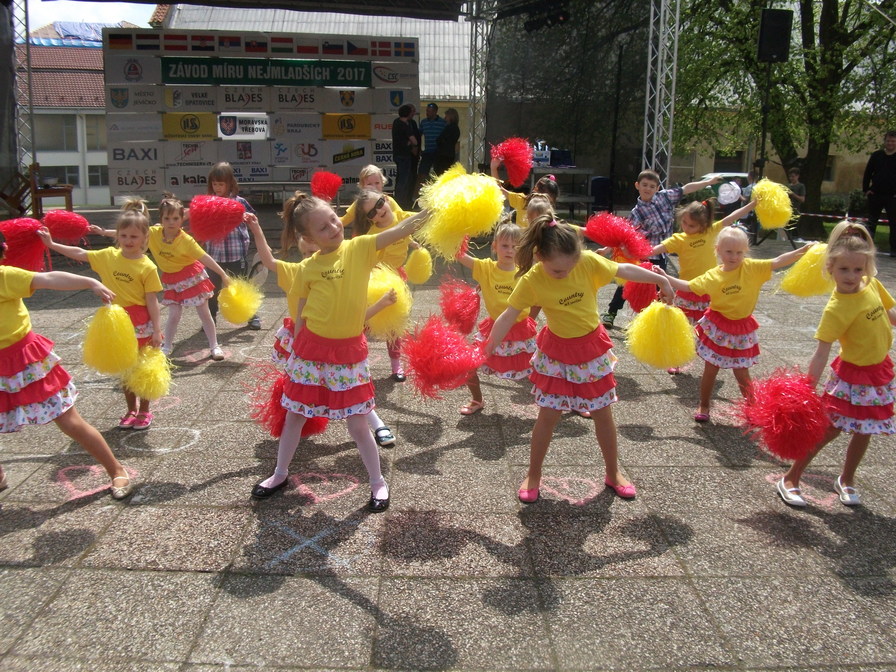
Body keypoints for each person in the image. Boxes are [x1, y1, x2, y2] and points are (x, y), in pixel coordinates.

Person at [249, 193, 429, 511]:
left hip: (348, 354)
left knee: (358, 424)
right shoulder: (306, 268)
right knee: (295, 417)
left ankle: (378, 482)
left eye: (333, 219)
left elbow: (401, 229)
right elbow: (301, 312)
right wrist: (297, 351)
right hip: (310, 352)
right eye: (322, 228)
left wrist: (435, 210)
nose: (333, 228)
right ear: (309, 238)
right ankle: (279, 474)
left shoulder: (359, 248)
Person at [485, 215, 675, 503]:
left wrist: (661, 278)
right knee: (547, 417)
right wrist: (488, 348)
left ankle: (613, 472)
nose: (565, 273)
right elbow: (508, 315)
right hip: (556, 354)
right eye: (557, 270)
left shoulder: (586, 262)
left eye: (570, 266)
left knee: (603, 415)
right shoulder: (532, 279)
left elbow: (622, 269)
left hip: (591, 351)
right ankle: (533, 475)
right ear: (539, 257)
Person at [245, 207, 400, 448]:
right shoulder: (299, 270)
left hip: (335, 340)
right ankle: (299, 425)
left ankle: (377, 424)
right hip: (305, 341)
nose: (310, 256)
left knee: (351, 388)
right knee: (305, 389)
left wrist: (380, 304)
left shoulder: (335, 266)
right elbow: (269, 260)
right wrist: (256, 229)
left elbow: (357, 317)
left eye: (313, 252)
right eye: (305, 253)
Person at [0, 230, 134, 499]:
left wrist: (89, 282)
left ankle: (116, 469)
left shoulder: (5, 277)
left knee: (69, 420)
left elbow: (48, 279)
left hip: (25, 363)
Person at [777, 222, 895, 507]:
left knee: (866, 429)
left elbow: (890, 314)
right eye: (844, 269)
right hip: (851, 377)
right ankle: (791, 477)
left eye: (858, 269)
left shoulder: (871, 284)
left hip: (878, 373)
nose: (852, 276)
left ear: (866, 268)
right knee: (829, 430)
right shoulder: (836, 308)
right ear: (830, 268)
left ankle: (847, 479)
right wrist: (807, 389)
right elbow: (822, 352)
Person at [661, 227, 811, 422]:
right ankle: (704, 404)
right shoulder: (713, 276)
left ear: (745, 251)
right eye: (729, 252)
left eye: (739, 252)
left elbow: (777, 261)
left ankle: (752, 406)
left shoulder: (752, 268)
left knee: (741, 372)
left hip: (741, 328)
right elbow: (688, 286)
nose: (734, 257)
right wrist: (664, 277)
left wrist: (803, 250)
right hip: (718, 326)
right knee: (711, 369)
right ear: (718, 250)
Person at [39, 203, 164, 431]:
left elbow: (152, 300)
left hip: (141, 322)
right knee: (125, 368)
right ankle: (131, 409)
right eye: (123, 235)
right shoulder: (107, 256)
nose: (128, 240)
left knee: (144, 369)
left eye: (134, 236)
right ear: (117, 236)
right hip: (115, 322)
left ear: (145, 237)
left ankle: (145, 411)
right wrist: (52, 244)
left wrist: (157, 329)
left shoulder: (147, 267)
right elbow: (80, 254)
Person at [94, 196, 231, 360]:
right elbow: (130, 232)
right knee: (174, 314)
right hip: (171, 279)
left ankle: (214, 346)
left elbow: (205, 257)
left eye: (175, 218)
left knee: (204, 312)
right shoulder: (153, 233)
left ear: (182, 219)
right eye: (167, 218)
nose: (171, 222)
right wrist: (103, 232)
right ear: (161, 219)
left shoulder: (186, 241)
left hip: (191, 277)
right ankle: (166, 347)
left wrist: (223, 274)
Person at [601, 170, 721, 327]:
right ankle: (611, 312)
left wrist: (707, 182)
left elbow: (686, 188)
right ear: (637, 186)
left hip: (660, 255)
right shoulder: (636, 212)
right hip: (642, 255)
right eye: (644, 185)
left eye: (652, 186)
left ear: (657, 188)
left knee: (660, 288)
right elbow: (624, 235)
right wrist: (606, 249)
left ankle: (653, 320)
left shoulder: (665, 197)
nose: (648, 189)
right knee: (628, 283)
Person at [455, 221, 536, 415]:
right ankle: (477, 400)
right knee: (469, 364)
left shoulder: (527, 271)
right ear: (494, 246)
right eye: (505, 245)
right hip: (492, 328)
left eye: (515, 246)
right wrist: (456, 231)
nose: (510, 250)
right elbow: (458, 255)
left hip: (521, 331)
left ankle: (560, 401)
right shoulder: (485, 268)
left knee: (543, 369)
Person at [353, 189, 421, 382]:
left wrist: (413, 243)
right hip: (377, 281)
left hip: (397, 277)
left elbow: (412, 227)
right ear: (370, 219)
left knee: (394, 324)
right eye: (372, 212)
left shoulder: (402, 216)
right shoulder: (373, 235)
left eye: (379, 204)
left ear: (386, 199)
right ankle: (356, 362)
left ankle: (396, 365)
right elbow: (365, 261)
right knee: (364, 323)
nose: (379, 211)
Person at [203, 162, 261, 330]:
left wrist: (247, 217)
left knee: (241, 286)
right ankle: (210, 318)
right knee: (211, 289)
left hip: (236, 253)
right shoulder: (209, 202)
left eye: (221, 184)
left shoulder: (239, 202)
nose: (217, 187)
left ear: (230, 183)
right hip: (214, 256)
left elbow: (253, 218)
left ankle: (251, 315)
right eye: (215, 184)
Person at [489, 159, 560, 228]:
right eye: (544, 199)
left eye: (549, 202)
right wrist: (493, 168)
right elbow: (500, 189)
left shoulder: (548, 215)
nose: (545, 204)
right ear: (535, 189)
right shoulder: (521, 201)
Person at [339, 164, 409, 228]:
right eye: (369, 184)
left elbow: (403, 218)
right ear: (362, 186)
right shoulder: (359, 204)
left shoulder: (388, 201)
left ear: (382, 183)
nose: (374, 187)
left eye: (377, 183)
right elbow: (344, 221)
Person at [862, 130, 896, 254]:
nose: (890, 143)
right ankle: (867, 248)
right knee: (871, 223)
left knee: (894, 224)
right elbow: (868, 173)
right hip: (875, 194)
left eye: (893, 141)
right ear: (884, 142)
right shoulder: (877, 155)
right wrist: (866, 189)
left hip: (893, 197)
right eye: (888, 141)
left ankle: (894, 249)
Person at [391, 104, 419, 209]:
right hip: (405, 155)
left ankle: (398, 201)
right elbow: (414, 141)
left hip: (397, 154)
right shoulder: (405, 125)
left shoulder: (396, 122)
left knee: (400, 179)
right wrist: (411, 144)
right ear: (408, 113)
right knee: (404, 180)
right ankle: (401, 203)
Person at [417, 102, 447, 182]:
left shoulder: (442, 123)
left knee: (439, 174)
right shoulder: (424, 122)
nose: (427, 113)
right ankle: (421, 188)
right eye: (427, 111)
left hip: (439, 153)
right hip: (427, 152)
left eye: (429, 111)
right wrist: (419, 149)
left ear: (435, 111)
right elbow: (418, 136)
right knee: (422, 173)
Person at [433, 107, 460, 176]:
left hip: (444, 155)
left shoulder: (450, 128)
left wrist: (439, 141)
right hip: (449, 154)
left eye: (446, 116)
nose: (445, 118)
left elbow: (441, 140)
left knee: (440, 173)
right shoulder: (455, 128)